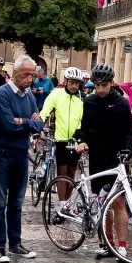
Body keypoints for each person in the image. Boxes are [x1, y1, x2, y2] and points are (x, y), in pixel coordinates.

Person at [74, 64, 132, 259]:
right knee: (103, 204)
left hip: (115, 157)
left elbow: (129, 130)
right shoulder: (90, 101)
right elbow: (84, 126)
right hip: (96, 156)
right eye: (97, 85)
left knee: (118, 202)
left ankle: (122, 246)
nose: (100, 89)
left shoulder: (121, 103)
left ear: (111, 83)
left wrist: (128, 151)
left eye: (104, 85)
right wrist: (82, 140)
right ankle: (108, 244)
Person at [0, 56, 45, 263]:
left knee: (17, 203)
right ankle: (0, 246)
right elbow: (9, 126)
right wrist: (28, 122)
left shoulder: (29, 96)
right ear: (15, 73)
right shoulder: (1, 94)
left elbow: (40, 123)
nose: (30, 79)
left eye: (32, 75)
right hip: (3, 153)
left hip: (21, 153)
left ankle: (15, 243)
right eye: (26, 74)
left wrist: (24, 121)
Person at [40, 67, 85, 199]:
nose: (74, 86)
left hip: (74, 141)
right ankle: (61, 202)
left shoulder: (80, 100)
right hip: (60, 139)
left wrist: (80, 136)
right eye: (71, 82)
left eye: (77, 83)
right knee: (62, 172)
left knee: (71, 173)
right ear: (65, 81)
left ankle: (67, 204)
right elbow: (45, 111)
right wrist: (39, 123)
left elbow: (82, 120)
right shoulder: (56, 94)